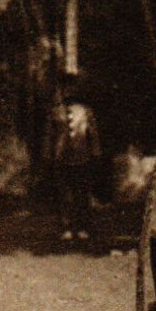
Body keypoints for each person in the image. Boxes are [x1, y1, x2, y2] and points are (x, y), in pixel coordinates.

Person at [53, 81, 101, 242]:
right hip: (62, 157)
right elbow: (49, 134)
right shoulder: (56, 112)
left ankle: (83, 227)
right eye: (66, 90)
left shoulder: (86, 112)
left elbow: (92, 134)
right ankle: (66, 227)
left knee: (82, 193)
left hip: (82, 156)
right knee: (65, 194)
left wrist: (95, 152)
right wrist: (49, 154)